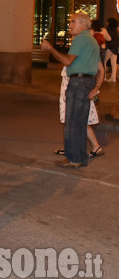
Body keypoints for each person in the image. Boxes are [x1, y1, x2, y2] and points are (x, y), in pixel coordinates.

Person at [41, 12, 100, 168]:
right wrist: (96, 87)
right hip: (87, 82)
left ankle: (73, 159)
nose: (70, 25)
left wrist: (50, 49)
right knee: (80, 123)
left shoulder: (80, 39)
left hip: (78, 83)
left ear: (83, 24)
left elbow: (68, 61)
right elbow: (100, 69)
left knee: (72, 122)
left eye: (73, 22)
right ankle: (79, 158)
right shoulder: (93, 41)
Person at [54, 62, 105, 158]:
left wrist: (96, 88)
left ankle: (89, 147)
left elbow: (101, 70)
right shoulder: (82, 49)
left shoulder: (87, 49)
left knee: (78, 120)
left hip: (76, 88)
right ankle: (75, 147)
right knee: (75, 120)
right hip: (72, 87)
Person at [103, 17, 118, 82]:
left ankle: (104, 77)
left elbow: (107, 38)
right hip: (115, 49)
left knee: (104, 62)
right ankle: (113, 78)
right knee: (113, 63)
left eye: (107, 21)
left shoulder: (108, 30)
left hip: (109, 48)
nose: (106, 23)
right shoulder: (116, 30)